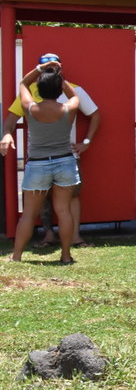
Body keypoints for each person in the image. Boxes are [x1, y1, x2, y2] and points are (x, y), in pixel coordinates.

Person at [0, 53, 101, 248]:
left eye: (52, 68)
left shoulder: (74, 90)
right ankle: (49, 236)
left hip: (66, 155)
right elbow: (10, 121)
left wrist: (86, 141)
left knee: (71, 197)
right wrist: (6, 134)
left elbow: (95, 114)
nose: (50, 70)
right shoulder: (31, 92)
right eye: (45, 67)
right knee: (43, 200)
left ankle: (75, 237)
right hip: (45, 157)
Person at [10, 65, 79, 264]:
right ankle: (66, 256)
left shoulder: (31, 108)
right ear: (59, 90)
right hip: (65, 160)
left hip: (38, 164)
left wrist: (40, 69)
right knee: (64, 211)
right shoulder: (68, 108)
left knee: (29, 214)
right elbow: (73, 95)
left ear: (38, 90)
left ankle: (16, 256)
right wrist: (59, 76)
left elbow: (23, 83)